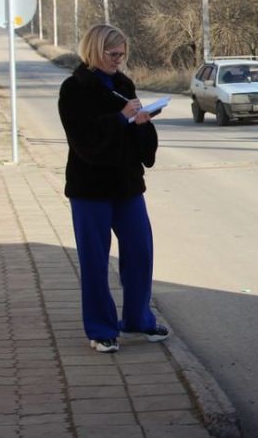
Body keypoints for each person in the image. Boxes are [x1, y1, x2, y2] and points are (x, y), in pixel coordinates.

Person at [58, 23, 169, 353]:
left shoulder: (124, 83)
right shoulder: (73, 89)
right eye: (113, 53)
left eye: (123, 54)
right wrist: (121, 118)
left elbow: (136, 144)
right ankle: (101, 329)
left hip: (128, 186)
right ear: (94, 49)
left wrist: (142, 125)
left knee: (140, 253)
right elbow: (84, 142)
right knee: (94, 260)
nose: (119, 60)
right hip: (89, 190)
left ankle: (138, 320)